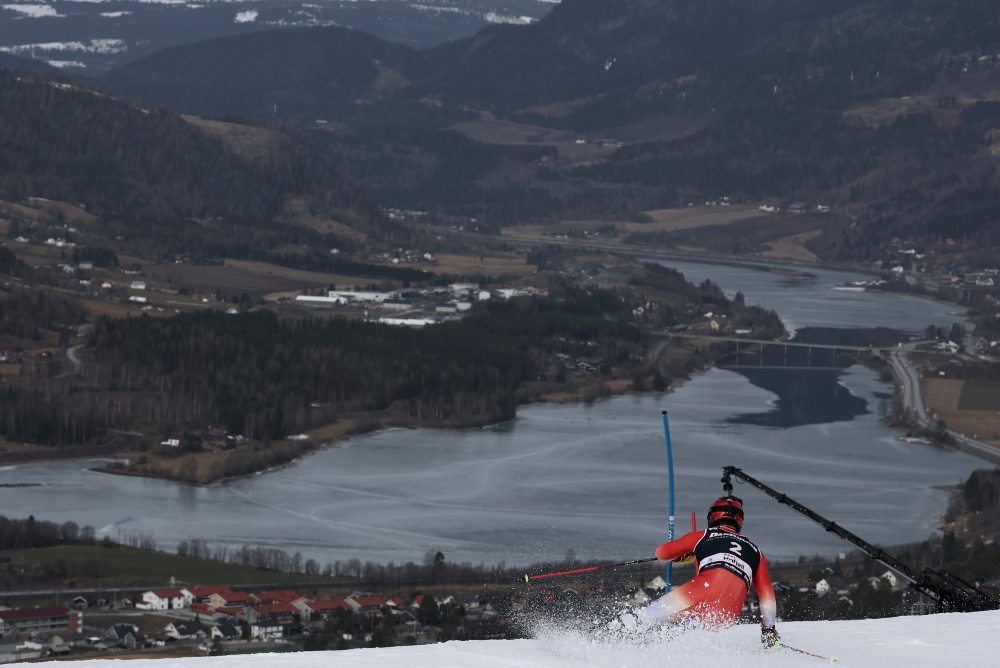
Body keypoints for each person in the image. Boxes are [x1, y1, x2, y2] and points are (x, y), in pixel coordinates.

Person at [614, 495, 780, 648]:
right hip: (728, 612)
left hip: (699, 593)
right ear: (739, 521)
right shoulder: (757, 552)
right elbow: (766, 593)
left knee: (645, 618)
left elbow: (662, 553)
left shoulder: (704, 535)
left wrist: (686, 554)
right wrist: (768, 628)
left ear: (712, 517)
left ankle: (609, 639)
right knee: (690, 636)